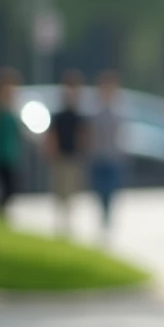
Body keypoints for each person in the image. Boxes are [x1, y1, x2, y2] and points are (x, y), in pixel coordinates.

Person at [45, 69, 89, 238]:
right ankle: (60, 224)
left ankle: (68, 223)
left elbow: (83, 136)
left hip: (73, 157)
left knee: (71, 192)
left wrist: (83, 152)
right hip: (61, 156)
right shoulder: (59, 115)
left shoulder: (79, 115)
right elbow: (52, 135)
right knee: (59, 191)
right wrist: (51, 152)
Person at [88, 70, 126, 239]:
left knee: (111, 190)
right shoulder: (94, 112)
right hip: (99, 156)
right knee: (99, 189)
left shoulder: (120, 112)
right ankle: (103, 214)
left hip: (113, 157)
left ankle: (108, 215)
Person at [0, 67, 24, 217]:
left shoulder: (13, 106)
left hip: (11, 153)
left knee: (11, 188)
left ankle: (0, 212)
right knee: (1, 187)